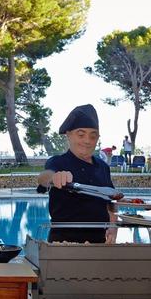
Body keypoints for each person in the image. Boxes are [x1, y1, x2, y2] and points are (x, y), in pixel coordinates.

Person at [37, 104, 120, 243]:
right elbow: (43, 178)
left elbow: (109, 202)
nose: (87, 141)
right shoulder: (57, 162)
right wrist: (55, 177)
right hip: (63, 244)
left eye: (92, 136)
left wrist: (113, 226)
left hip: (99, 243)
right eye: (81, 135)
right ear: (68, 135)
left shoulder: (103, 167)